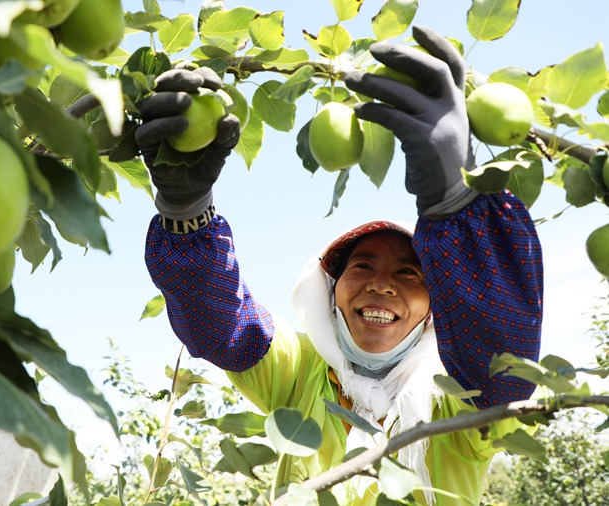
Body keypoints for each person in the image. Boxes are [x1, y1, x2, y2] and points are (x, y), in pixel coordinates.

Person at [135, 26, 542, 505]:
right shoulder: (303, 369)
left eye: (410, 274)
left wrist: (459, 203)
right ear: (332, 292)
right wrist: (187, 213)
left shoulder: (455, 392)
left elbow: (503, 368)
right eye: (362, 267)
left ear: (437, 308)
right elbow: (219, 324)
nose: (382, 286)